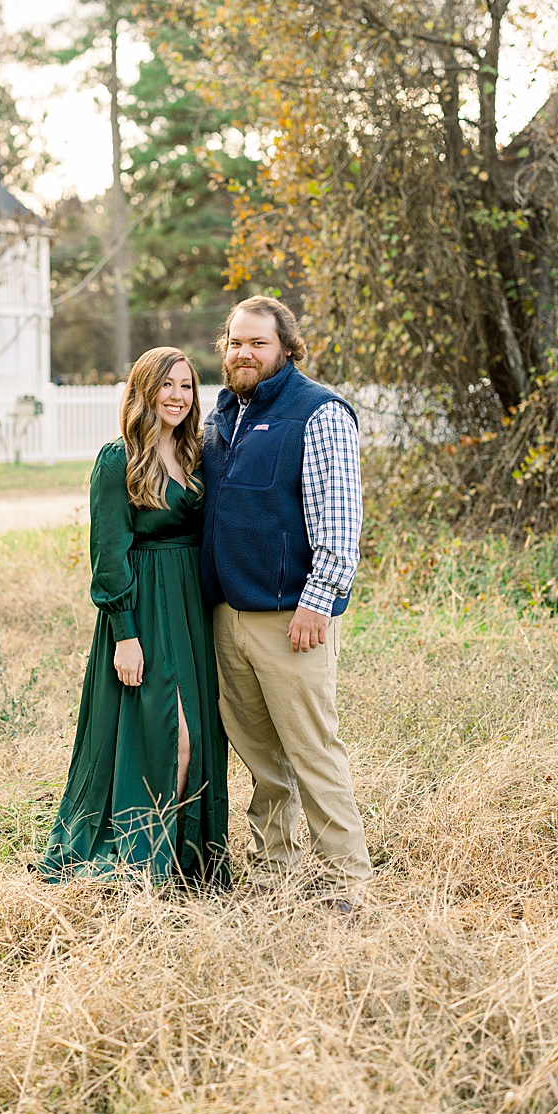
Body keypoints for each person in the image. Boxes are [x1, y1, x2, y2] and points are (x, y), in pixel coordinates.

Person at [200, 295, 371, 910]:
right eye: (235, 342)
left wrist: (317, 603)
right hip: (228, 616)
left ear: (287, 349)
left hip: (292, 619)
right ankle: (278, 875)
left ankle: (348, 883)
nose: (243, 353)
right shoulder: (221, 418)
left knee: (312, 750)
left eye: (258, 343)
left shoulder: (318, 413)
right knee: (260, 757)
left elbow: (340, 520)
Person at [39, 347, 230, 888]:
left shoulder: (197, 454)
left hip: (192, 609)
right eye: (166, 386)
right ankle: (144, 860)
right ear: (144, 392)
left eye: (187, 386)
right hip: (144, 609)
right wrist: (125, 634)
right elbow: (108, 553)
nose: (177, 396)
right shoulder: (116, 459)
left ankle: (187, 860)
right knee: (170, 734)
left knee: (201, 732)